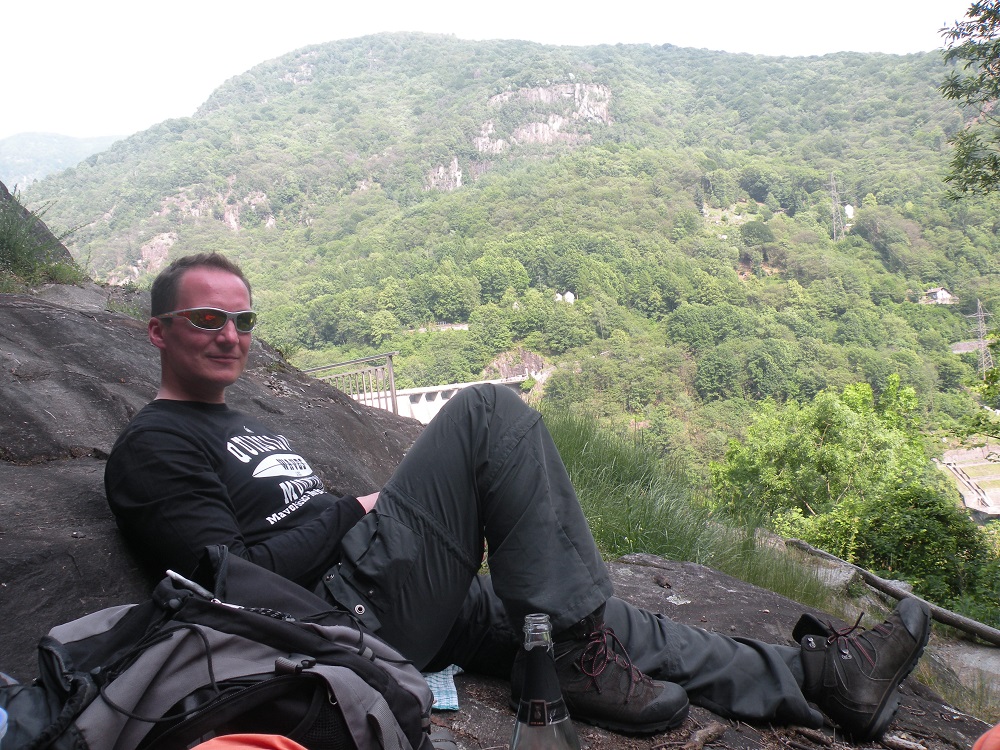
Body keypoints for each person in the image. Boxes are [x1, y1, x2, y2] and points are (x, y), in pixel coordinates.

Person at [106, 252, 931, 741]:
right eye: (207, 319)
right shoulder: (155, 443)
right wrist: (348, 511)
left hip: (385, 595)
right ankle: (573, 655)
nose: (231, 336)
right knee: (487, 411)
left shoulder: (244, 424)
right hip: (336, 620)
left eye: (244, 321)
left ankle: (821, 681)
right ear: (157, 331)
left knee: (602, 622)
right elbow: (226, 584)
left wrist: (349, 517)